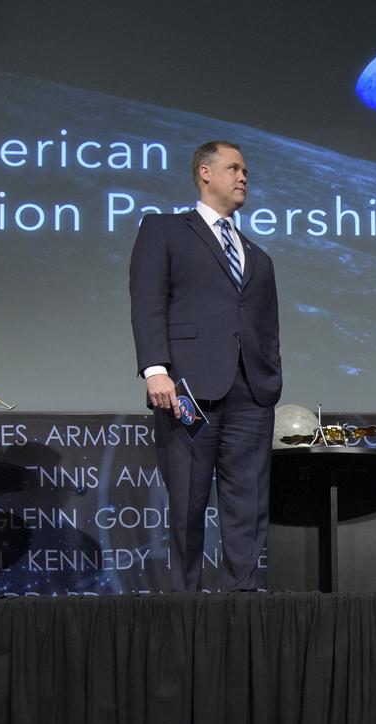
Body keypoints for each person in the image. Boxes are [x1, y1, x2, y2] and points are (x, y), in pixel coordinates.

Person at [130, 141, 282, 591]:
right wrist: (155, 368)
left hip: (251, 396)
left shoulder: (258, 255)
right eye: (234, 168)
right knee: (188, 506)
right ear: (204, 173)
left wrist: (270, 375)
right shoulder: (164, 230)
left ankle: (243, 606)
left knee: (247, 508)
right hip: (188, 392)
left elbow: (266, 326)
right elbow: (147, 302)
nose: (243, 178)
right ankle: (186, 610)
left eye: (246, 172)